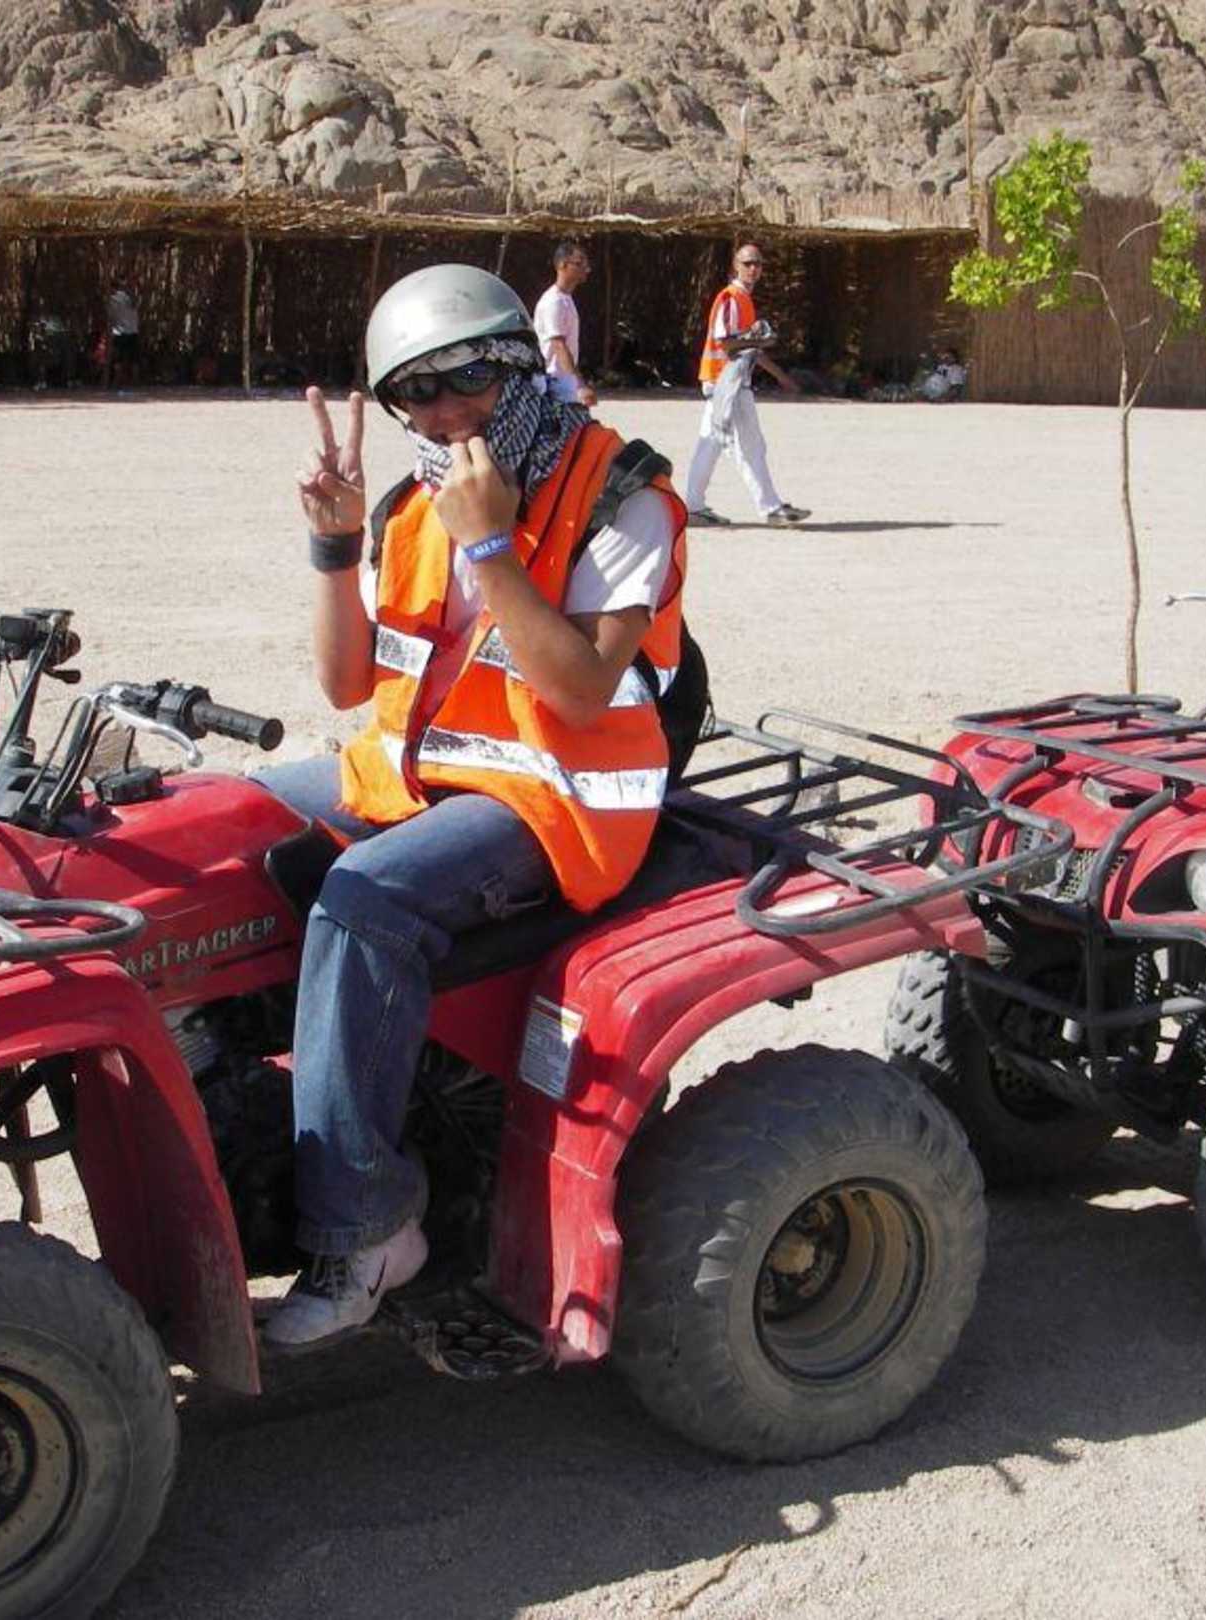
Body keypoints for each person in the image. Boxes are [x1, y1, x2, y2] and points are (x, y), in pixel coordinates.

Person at [254, 264, 689, 1348]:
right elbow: (347, 688)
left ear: (523, 368)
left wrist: (490, 546)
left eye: (471, 380)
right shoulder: (413, 504)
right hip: (428, 768)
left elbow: (579, 690)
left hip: (559, 796)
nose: (447, 411)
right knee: (221, 819)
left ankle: (365, 1227)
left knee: (363, 899)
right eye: (418, 391)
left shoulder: (621, 494)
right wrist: (335, 543)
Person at [681, 243, 810, 528]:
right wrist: (759, 341)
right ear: (735, 266)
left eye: (757, 263)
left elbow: (750, 349)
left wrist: (781, 376)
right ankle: (771, 508)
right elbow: (726, 342)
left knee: (710, 445)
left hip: (724, 382)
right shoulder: (731, 299)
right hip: (729, 383)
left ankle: (692, 506)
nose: (753, 268)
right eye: (747, 263)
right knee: (750, 446)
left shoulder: (743, 300)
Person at [532, 240, 596, 407]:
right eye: (579, 263)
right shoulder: (554, 301)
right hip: (554, 382)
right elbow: (558, 345)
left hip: (561, 382)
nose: (586, 269)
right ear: (562, 265)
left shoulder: (565, 299)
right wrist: (579, 385)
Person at [103, 285, 140, 389]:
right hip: (132, 331)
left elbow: (111, 317)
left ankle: (117, 381)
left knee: (118, 357)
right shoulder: (129, 297)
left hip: (120, 331)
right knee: (134, 358)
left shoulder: (113, 299)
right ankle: (135, 381)